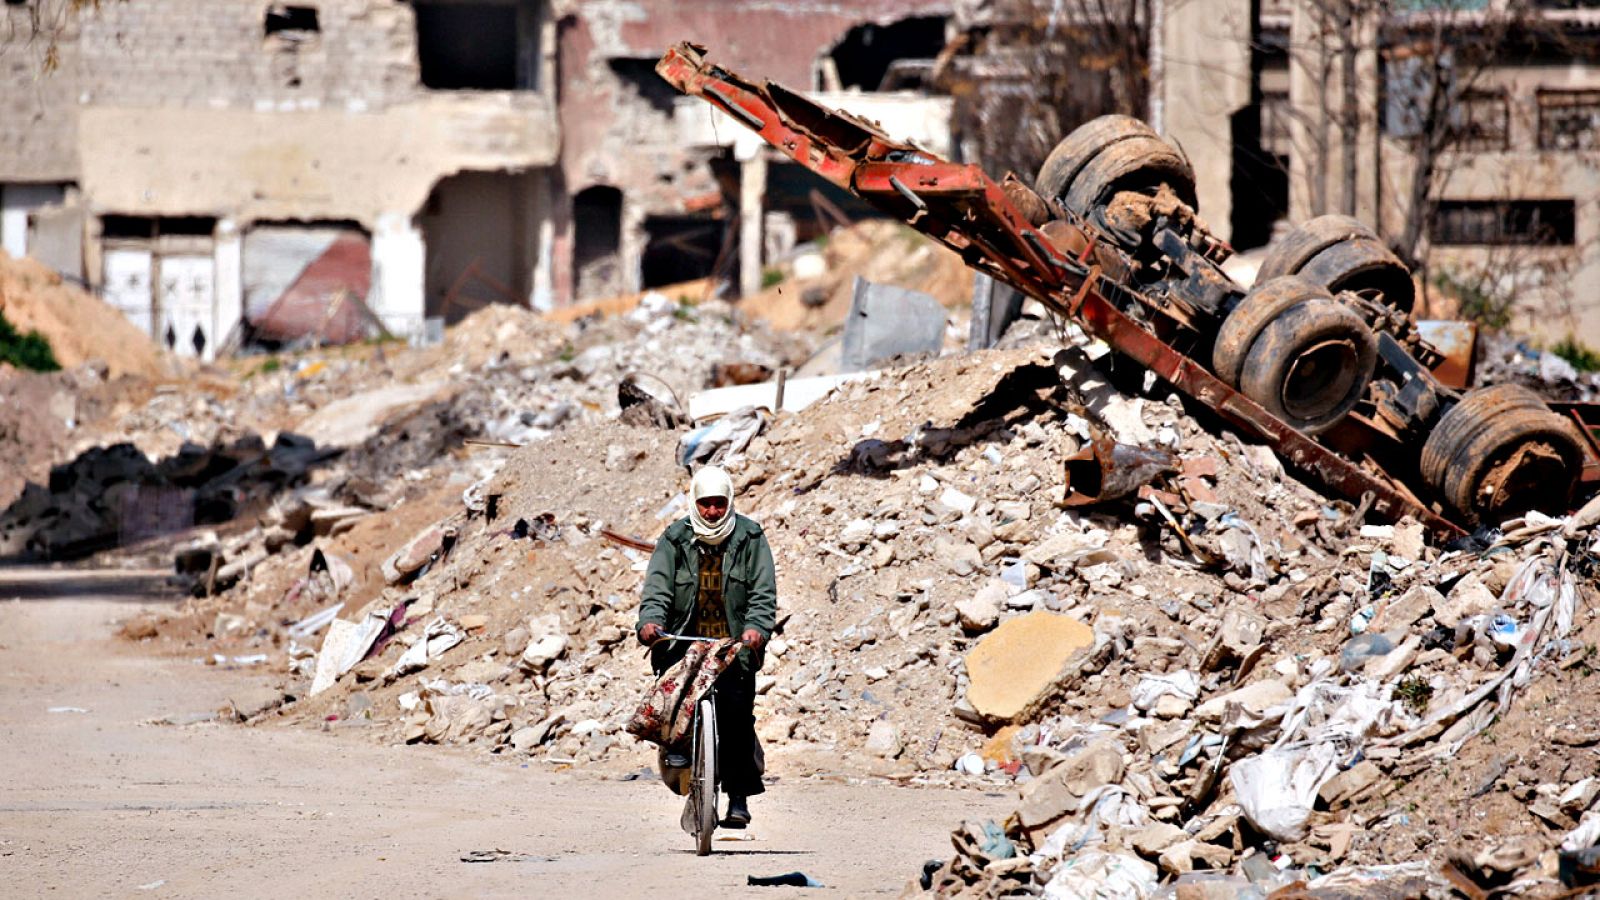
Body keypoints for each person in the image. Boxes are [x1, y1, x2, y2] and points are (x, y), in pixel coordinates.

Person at [636, 465, 776, 827]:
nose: (712, 511)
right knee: (671, 707)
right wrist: (650, 623)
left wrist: (756, 629)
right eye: (705, 504)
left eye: (718, 503)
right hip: (684, 642)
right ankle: (680, 755)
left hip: (732, 645)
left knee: (737, 717)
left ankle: (739, 798)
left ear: (729, 501)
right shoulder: (675, 539)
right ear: (694, 503)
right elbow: (657, 589)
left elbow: (762, 593)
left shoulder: (750, 537)